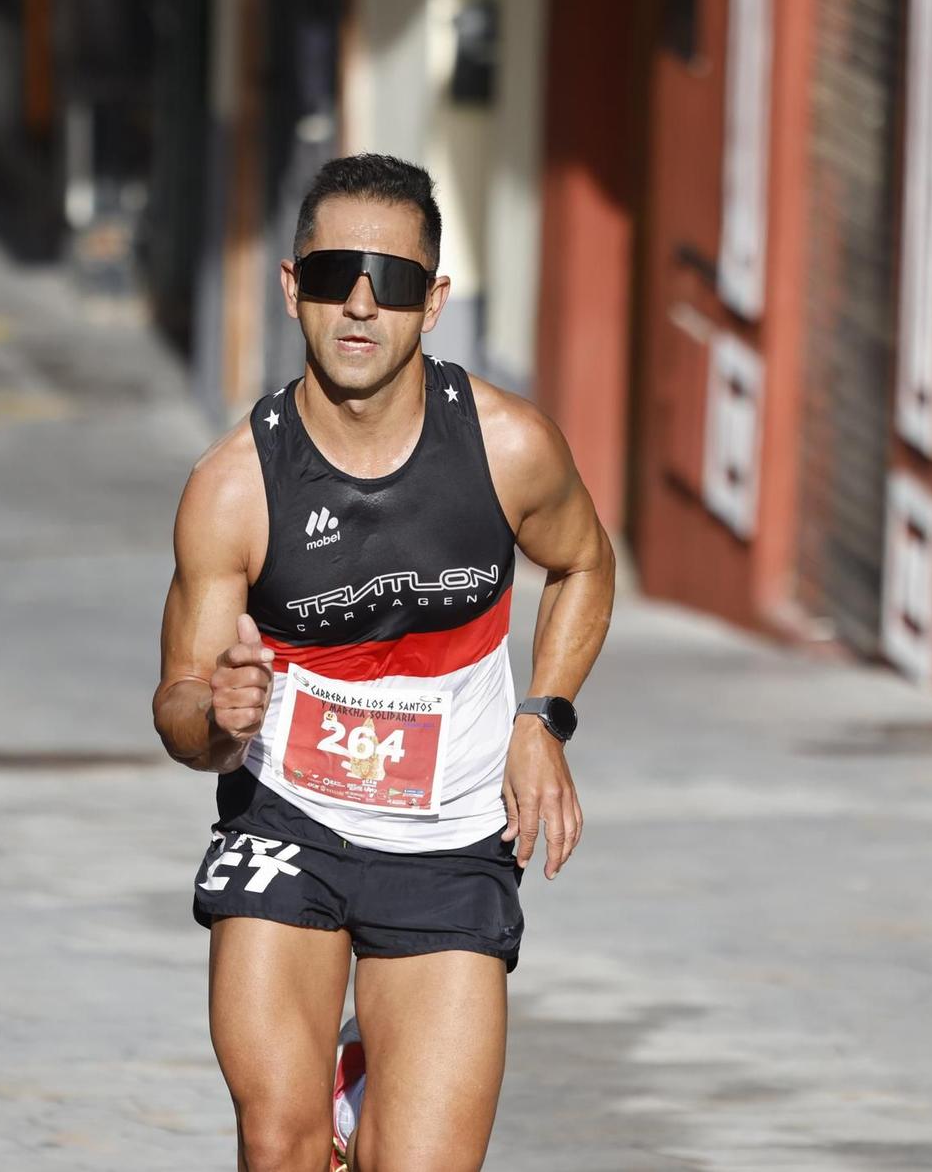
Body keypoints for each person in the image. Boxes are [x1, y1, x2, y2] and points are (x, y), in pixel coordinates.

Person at [152, 153, 616, 1171]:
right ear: (291, 287)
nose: (359, 304)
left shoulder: (505, 446)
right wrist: (218, 717)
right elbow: (178, 705)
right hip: (289, 819)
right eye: (332, 275)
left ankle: (364, 1093)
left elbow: (583, 562)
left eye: (392, 280)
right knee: (280, 1142)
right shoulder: (233, 486)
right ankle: (325, 1105)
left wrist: (543, 715)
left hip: (449, 841)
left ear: (433, 299)